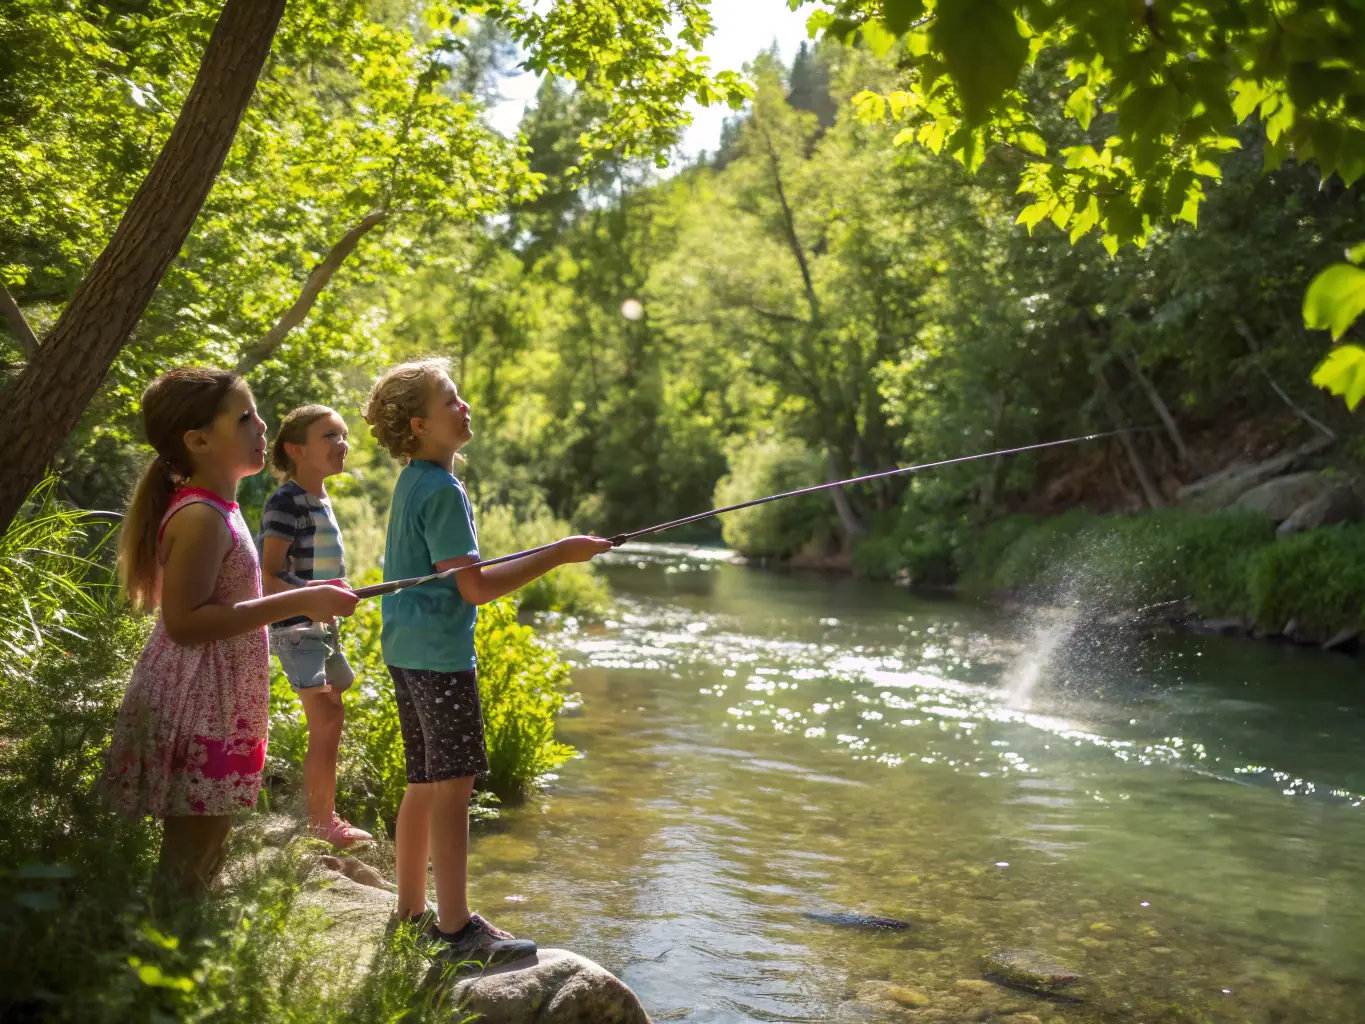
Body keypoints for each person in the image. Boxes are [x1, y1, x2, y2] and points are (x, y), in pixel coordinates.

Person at [363, 357, 611, 969]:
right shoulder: (443, 490)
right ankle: (454, 931)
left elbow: (454, 574)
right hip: (442, 659)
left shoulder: (416, 481)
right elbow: (472, 588)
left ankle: (411, 912)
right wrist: (558, 553)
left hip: (405, 650)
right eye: (450, 400)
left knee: (423, 782)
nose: (463, 406)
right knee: (453, 790)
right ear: (419, 426)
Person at [103, 368, 357, 902]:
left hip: (220, 700)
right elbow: (186, 622)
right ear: (197, 441)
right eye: (244, 418)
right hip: (196, 702)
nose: (262, 425)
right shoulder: (201, 516)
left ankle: (181, 950)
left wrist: (308, 593)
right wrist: (302, 599)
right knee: (190, 853)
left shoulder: (224, 509)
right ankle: (160, 958)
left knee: (209, 842)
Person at [257, 404, 372, 847]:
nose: (341, 444)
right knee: (325, 716)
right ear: (295, 449)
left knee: (333, 714)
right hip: (294, 625)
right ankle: (321, 823)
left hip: (320, 624)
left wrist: (334, 591)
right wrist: (316, 596)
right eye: (329, 436)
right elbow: (269, 576)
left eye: (343, 435)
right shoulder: (285, 501)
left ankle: (323, 814)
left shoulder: (321, 498)